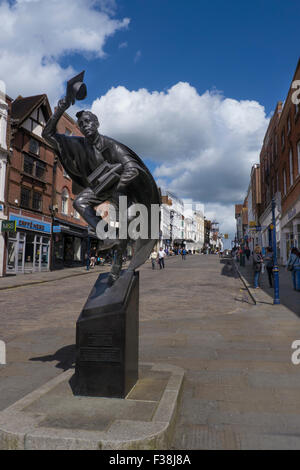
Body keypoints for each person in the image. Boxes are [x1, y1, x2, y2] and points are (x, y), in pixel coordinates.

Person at [42, 88, 160, 285]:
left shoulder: (111, 145)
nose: (85, 125)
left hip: (121, 191)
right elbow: (48, 134)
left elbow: (133, 168)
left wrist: (118, 185)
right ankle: (105, 234)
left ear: (96, 124)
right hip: (100, 188)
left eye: (88, 121)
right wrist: (60, 110)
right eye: (81, 123)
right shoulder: (78, 144)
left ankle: (116, 266)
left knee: (126, 221)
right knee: (79, 201)